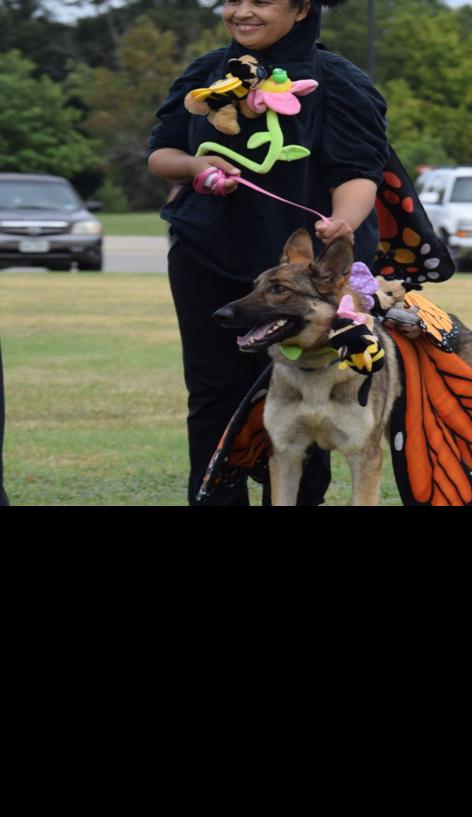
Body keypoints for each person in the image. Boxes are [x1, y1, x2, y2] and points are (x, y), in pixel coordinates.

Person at [147, 0, 388, 505]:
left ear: (302, 8)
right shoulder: (205, 74)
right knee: (214, 395)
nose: (241, 12)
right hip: (208, 255)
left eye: (260, 1)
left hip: (310, 278)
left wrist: (345, 220)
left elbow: (359, 173)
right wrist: (196, 168)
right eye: (232, 0)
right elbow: (161, 153)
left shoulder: (339, 81)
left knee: (316, 396)